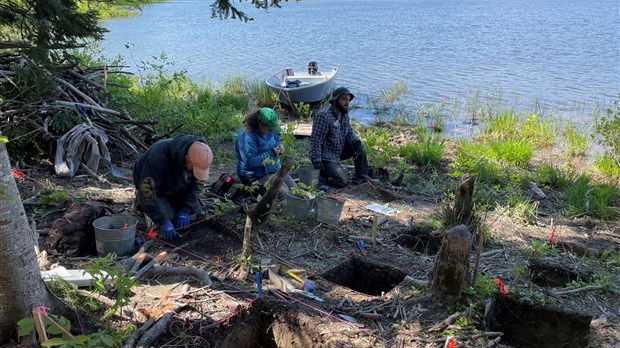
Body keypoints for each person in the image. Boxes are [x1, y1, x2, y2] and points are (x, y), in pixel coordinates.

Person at [133, 135, 213, 241]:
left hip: (177, 185)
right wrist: (163, 221)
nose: (195, 172)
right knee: (168, 218)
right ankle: (140, 202)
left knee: (195, 210)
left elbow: (196, 187)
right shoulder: (158, 155)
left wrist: (185, 210)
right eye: (194, 168)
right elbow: (146, 190)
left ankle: (173, 205)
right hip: (156, 189)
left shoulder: (202, 154)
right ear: (187, 158)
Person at [309, 87, 380, 188]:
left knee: (359, 146)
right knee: (343, 181)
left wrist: (356, 142)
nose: (347, 102)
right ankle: (324, 175)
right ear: (335, 101)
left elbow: (349, 132)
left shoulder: (344, 114)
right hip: (326, 157)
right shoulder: (323, 116)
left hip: (338, 151)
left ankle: (361, 176)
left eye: (348, 99)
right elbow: (315, 141)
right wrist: (317, 162)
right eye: (343, 99)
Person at [235, 107, 296, 197]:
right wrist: (271, 153)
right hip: (254, 175)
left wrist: (280, 147)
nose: (271, 131)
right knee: (283, 193)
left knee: (295, 189)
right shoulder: (247, 136)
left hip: (271, 170)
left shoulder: (271, 131)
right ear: (260, 125)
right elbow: (249, 161)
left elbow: (277, 140)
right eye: (270, 129)